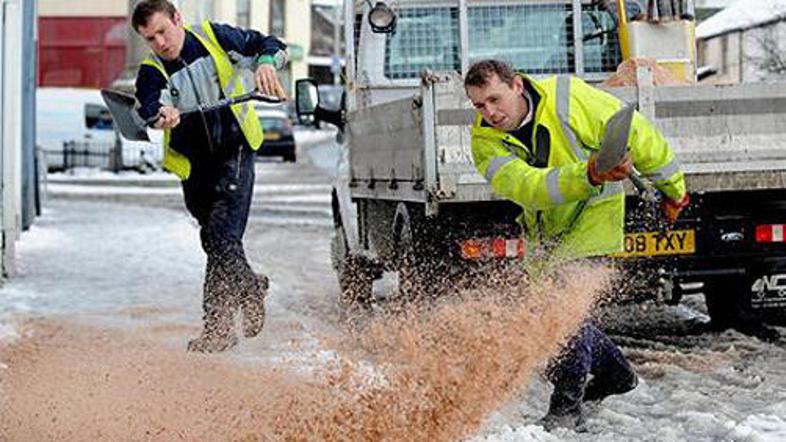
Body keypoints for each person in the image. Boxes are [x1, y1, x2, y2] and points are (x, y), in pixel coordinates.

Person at [464, 60, 689, 431]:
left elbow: (638, 134)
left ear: (517, 86)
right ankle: (618, 376)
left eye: (494, 99)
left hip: (592, 219)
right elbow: (530, 189)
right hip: (545, 231)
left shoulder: (567, 98)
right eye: (479, 106)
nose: (490, 113)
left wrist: (674, 190)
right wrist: (589, 171)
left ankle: (566, 408)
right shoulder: (484, 141)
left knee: (564, 316)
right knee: (547, 321)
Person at [132, 0, 288, 353]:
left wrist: (265, 62)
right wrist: (159, 116)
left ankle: (248, 291)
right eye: (150, 38)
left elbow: (269, 44)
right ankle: (219, 327)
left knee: (220, 235)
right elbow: (146, 105)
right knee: (216, 242)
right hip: (194, 166)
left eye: (162, 31)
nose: (160, 43)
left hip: (234, 150)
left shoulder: (214, 37)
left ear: (177, 19)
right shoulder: (152, 69)